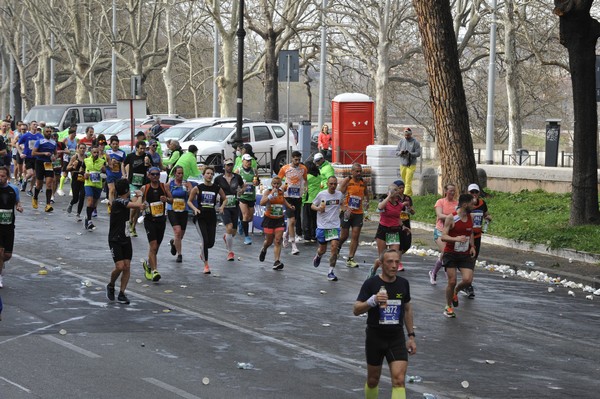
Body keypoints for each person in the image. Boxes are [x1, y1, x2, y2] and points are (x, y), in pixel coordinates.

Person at [353, 249, 416, 399]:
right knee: (373, 380)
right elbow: (356, 310)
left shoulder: (403, 284)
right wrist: (372, 301)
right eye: (390, 262)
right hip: (375, 337)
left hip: (396, 337)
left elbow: (407, 309)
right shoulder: (371, 284)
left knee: (399, 380)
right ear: (381, 264)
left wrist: (411, 337)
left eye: (397, 262)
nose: (394, 265)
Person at [106, 178, 147, 305]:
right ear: (126, 190)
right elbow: (137, 205)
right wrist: (140, 196)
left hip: (125, 237)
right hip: (115, 239)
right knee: (120, 266)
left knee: (127, 266)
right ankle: (111, 284)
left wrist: (139, 195)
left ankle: (122, 293)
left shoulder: (125, 200)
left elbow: (135, 202)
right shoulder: (118, 202)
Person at [441, 193, 476, 318]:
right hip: (451, 254)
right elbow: (443, 236)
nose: (474, 206)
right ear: (465, 204)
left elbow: (470, 232)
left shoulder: (470, 216)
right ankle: (448, 306)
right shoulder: (452, 218)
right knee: (452, 281)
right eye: (472, 204)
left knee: (467, 280)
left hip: (464, 253)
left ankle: (456, 291)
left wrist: (472, 246)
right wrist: (456, 239)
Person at [187, 166, 226, 275]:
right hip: (200, 217)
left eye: (211, 174)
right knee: (204, 239)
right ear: (203, 175)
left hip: (211, 217)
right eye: (207, 173)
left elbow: (225, 198)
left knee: (210, 243)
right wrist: (195, 209)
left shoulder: (216, 188)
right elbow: (189, 201)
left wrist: (222, 206)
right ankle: (206, 265)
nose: (209, 175)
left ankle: (202, 249)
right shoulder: (198, 188)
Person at [370, 184, 410, 278]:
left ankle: (389, 277)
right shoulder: (385, 203)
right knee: (382, 258)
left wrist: (403, 227)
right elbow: (380, 207)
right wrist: (388, 196)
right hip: (383, 230)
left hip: (394, 231)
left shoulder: (399, 205)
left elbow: (397, 218)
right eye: (394, 191)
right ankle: (374, 269)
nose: (396, 192)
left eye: (397, 191)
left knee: (393, 256)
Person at [140, 166, 173, 282]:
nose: (155, 176)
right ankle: (155, 271)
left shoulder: (164, 187)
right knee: (153, 246)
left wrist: (166, 200)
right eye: (153, 174)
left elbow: (172, 200)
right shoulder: (145, 188)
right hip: (150, 221)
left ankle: (148, 265)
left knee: (155, 248)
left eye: (157, 174)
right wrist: (142, 207)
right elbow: (139, 202)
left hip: (161, 220)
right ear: (148, 175)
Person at [258, 176, 295, 270]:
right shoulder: (267, 192)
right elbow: (262, 203)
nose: (276, 185)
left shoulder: (281, 192)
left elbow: (283, 200)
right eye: (274, 183)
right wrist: (271, 195)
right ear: (271, 184)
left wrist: (289, 206)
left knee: (278, 240)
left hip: (279, 218)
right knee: (269, 241)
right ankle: (264, 248)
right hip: (269, 219)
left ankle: (276, 261)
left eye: (278, 184)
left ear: (280, 184)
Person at [311, 176, 344, 281]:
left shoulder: (339, 195)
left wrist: (345, 210)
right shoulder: (322, 194)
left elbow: (342, 204)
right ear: (327, 184)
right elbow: (312, 205)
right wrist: (318, 208)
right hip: (322, 226)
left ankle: (330, 271)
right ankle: (318, 256)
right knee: (322, 250)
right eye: (331, 184)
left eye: (335, 184)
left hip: (334, 225)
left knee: (334, 248)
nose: (333, 186)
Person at [462, 183, 492, 298]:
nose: (474, 194)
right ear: (468, 193)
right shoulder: (466, 205)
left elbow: (485, 214)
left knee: (472, 260)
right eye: (472, 192)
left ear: (479, 193)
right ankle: (467, 282)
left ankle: (468, 284)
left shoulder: (482, 203)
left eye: (476, 192)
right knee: (466, 260)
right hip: (466, 236)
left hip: (477, 236)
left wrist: (488, 217)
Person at [338, 163, 370, 268]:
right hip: (347, 212)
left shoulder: (363, 182)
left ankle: (350, 258)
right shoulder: (347, 181)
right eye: (356, 171)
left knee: (355, 236)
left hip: (358, 213)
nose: (359, 173)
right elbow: (338, 195)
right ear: (351, 172)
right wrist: (344, 207)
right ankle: (337, 247)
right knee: (344, 235)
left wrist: (366, 203)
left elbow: (367, 194)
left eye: (360, 171)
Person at [214, 158, 244, 261]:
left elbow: (243, 186)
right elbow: (214, 189)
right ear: (224, 166)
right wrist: (218, 198)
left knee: (233, 231)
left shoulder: (237, 177)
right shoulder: (218, 179)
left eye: (231, 165)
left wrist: (241, 191)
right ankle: (230, 252)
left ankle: (226, 236)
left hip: (234, 205)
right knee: (229, 227)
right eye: (227, 165)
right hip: (224, 206)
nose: (229, 167)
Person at [278, 150, 308, 254]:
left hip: (298, 197)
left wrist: (306, 188)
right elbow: (278, 179)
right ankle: (293, 246)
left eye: (299, 159)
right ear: (292, 158)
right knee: (291, 220)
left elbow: (305, 180)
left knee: (294, 221)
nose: (297, 161)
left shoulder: (303, 168)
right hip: (288, 197)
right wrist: (282, 187)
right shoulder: (285, 168)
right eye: (296, 159)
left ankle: (286, 234)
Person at [429, 183, 458, 285]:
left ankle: (435, 272)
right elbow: (440, 215)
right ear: (446, 191)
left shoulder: (457, 204)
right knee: (446, 252)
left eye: (454, 190)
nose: (452, 192)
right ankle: (440, 274)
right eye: (450, 190)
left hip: (451, 233)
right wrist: (451, 218)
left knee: (446, 255)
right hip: (440, 231)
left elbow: (460, 216)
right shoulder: (440, 202)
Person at [0, 166, 24, 288]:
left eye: (3, 176)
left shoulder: (13, 189)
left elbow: (17, 201)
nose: (0, 178)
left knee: (7, 255)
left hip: (9, 225)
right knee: (0, 251)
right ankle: (0, 277)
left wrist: (19, 207)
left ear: (8, 178)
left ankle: (1, 263)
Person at [124, 140, 150, 236]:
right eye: (141, 148)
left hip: (142, 183)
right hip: (133, 183)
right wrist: (125, 175)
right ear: (137, 148)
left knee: (139, 206)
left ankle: (133, 227)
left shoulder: (147, 156)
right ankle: (130, 220)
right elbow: (123, 164)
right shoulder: (131, 156)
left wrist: (148, 163)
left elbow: (150, 168)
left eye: (144, 148)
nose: (143, 150)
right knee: (135, 203)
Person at [167, 165, 191, 263]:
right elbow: (168, 198)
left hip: (183, 210)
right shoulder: (170, 184)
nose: (180, 175)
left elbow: (191, 197)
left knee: (180, 235)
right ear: (174, 174)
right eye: (178, 173)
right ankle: (179, 255)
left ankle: (174, 243)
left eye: (182, 173)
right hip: (172, 209)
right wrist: (169, 200)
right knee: (177, 232)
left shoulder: (187, 183)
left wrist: (188, 190)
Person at [31, 126, 58, 212]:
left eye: (50, 131)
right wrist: (44, 153)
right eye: (47, 131)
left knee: (49, 183)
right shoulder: (39, 142)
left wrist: (54, 157)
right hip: (39, 163)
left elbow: (56, 153)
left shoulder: (53, 143)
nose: (49, 133)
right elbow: (33, 153)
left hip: (48, 164)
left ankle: (48, 204)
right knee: (39, 184)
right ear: (43, 132)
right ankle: (35, 198)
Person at [235, 153, 259, 245]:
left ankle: (241, 223)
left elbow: (257, 181)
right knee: (245, 215)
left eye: (250, 161)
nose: (248, 162)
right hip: (243, 197)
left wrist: (256, 183)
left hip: (251, 196)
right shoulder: (238, 171)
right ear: (243, 161)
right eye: (247, 161)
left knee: (250, 217)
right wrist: (239, 190)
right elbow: (234, 183)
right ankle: (247, 237)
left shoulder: (254, 170)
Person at [83, 145, 106, 230]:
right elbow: (82, 170)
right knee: (90, 201)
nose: (96, 154)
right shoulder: (86, 160)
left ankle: (87, 217)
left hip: (98, 184)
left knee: (94, 204)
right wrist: (84, 174)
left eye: (97, 152)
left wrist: (104, 170)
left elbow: (105, 171)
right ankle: (89, 221)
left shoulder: (102, 161)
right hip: (88, 183)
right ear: (91, 153)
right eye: (94, 152)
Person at [395, 128, 421, 196]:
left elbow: (418, 153)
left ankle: (404, 196)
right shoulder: (401, 141)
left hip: (411, 164)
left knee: (408, 181)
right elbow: (396, 152)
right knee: (405, 181)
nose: (406, 136)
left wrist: (410, 154)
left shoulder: (415, 142)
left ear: (411, 134)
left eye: (408, 135)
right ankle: (410, 194)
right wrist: (401, 152)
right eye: (405, 135)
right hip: (403, 164)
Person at [18, 121, 42, 195]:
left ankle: (30, 189)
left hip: (37, 157)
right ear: (30, 126)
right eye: (34, 124)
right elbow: (17, 144)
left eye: (36, 125)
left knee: (35, 175)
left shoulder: (40, 136)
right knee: (31, 173)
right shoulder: (26, 135)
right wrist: (20, 153)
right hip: (28, 157)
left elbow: (43, 144)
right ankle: (25, 179)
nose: (35, 126)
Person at [66, 143, 88, 221]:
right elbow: (67, 167)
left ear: (86, 149)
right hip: (75, 178)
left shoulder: (87, 158)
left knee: (82, 196)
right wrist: (73, 166)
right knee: (76, 198)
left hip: (83, 179)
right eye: (81, 148)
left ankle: (78, 214)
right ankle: (71, 203)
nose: (82, 150)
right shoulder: (74, 157)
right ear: (78, 149)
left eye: (83, 148)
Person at [105, 135, 126, 212]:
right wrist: (109, 163)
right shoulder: (107, 152)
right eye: (113, 144)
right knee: (112, 190)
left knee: (117, 191)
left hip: (118, 174)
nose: (115, 145)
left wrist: (118, 162)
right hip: (110, 173)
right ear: (110, 144)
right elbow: (103, 163)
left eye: (116, 144)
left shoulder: (122, 153)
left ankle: (114, 204)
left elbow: (124, 164)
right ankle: (112, 207)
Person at [302, 161, 320, 242]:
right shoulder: (319, 177)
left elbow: (304, 190)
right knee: (315, 219)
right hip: (317, 201)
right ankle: (314, 235)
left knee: (307, 219)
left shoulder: (307, 177)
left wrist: (302, 200)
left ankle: (307, 236)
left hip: (308, 200)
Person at [57, 127, 78, 196]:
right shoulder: (66, 139)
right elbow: (61, 146)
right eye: (74, 133)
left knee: (72, 174)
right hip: (66, 159)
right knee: (65, 173)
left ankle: (72, 190)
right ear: (71, 133)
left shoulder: (75, 140)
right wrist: (64, 151)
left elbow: (76, 148)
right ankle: (60, 188)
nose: (75, 134)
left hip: (72, 158)